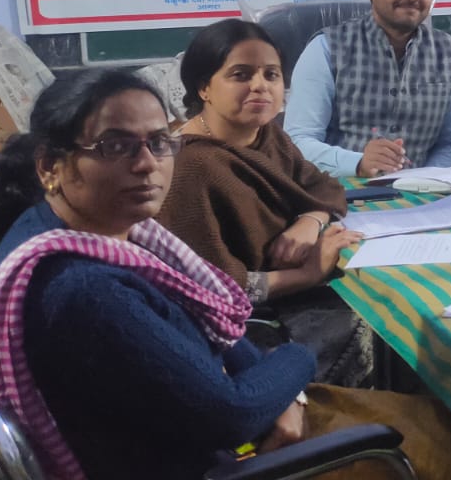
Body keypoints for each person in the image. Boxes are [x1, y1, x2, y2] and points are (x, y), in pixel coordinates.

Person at [0, 69, 451, 480]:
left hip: (205, 416)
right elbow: (231, 414)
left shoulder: (66, 231)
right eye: (115, 146)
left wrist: (284, 395)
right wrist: (294, 361)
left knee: (435, 413)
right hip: (214, 461)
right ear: (51, 165)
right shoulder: (83, 289)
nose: (146, 163)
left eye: (158, 142)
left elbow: (217, 332)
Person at [158, 19, 371, 387]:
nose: (260, 86)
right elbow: (215, 289)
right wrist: (308, 274)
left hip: (293, 292)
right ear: (204, 87)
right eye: (241, 74)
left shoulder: (266, 135)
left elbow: (323, 187)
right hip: (239, 328)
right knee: (378, 327)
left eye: (271, 74)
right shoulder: (189, 166)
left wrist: (309, 222)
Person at [285, 0, 451, 177]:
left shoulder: (450, 53)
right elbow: (297, 141)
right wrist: (358, 163)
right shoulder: (326, 48)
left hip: (425, 187)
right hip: (341, 186)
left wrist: (426, 180)